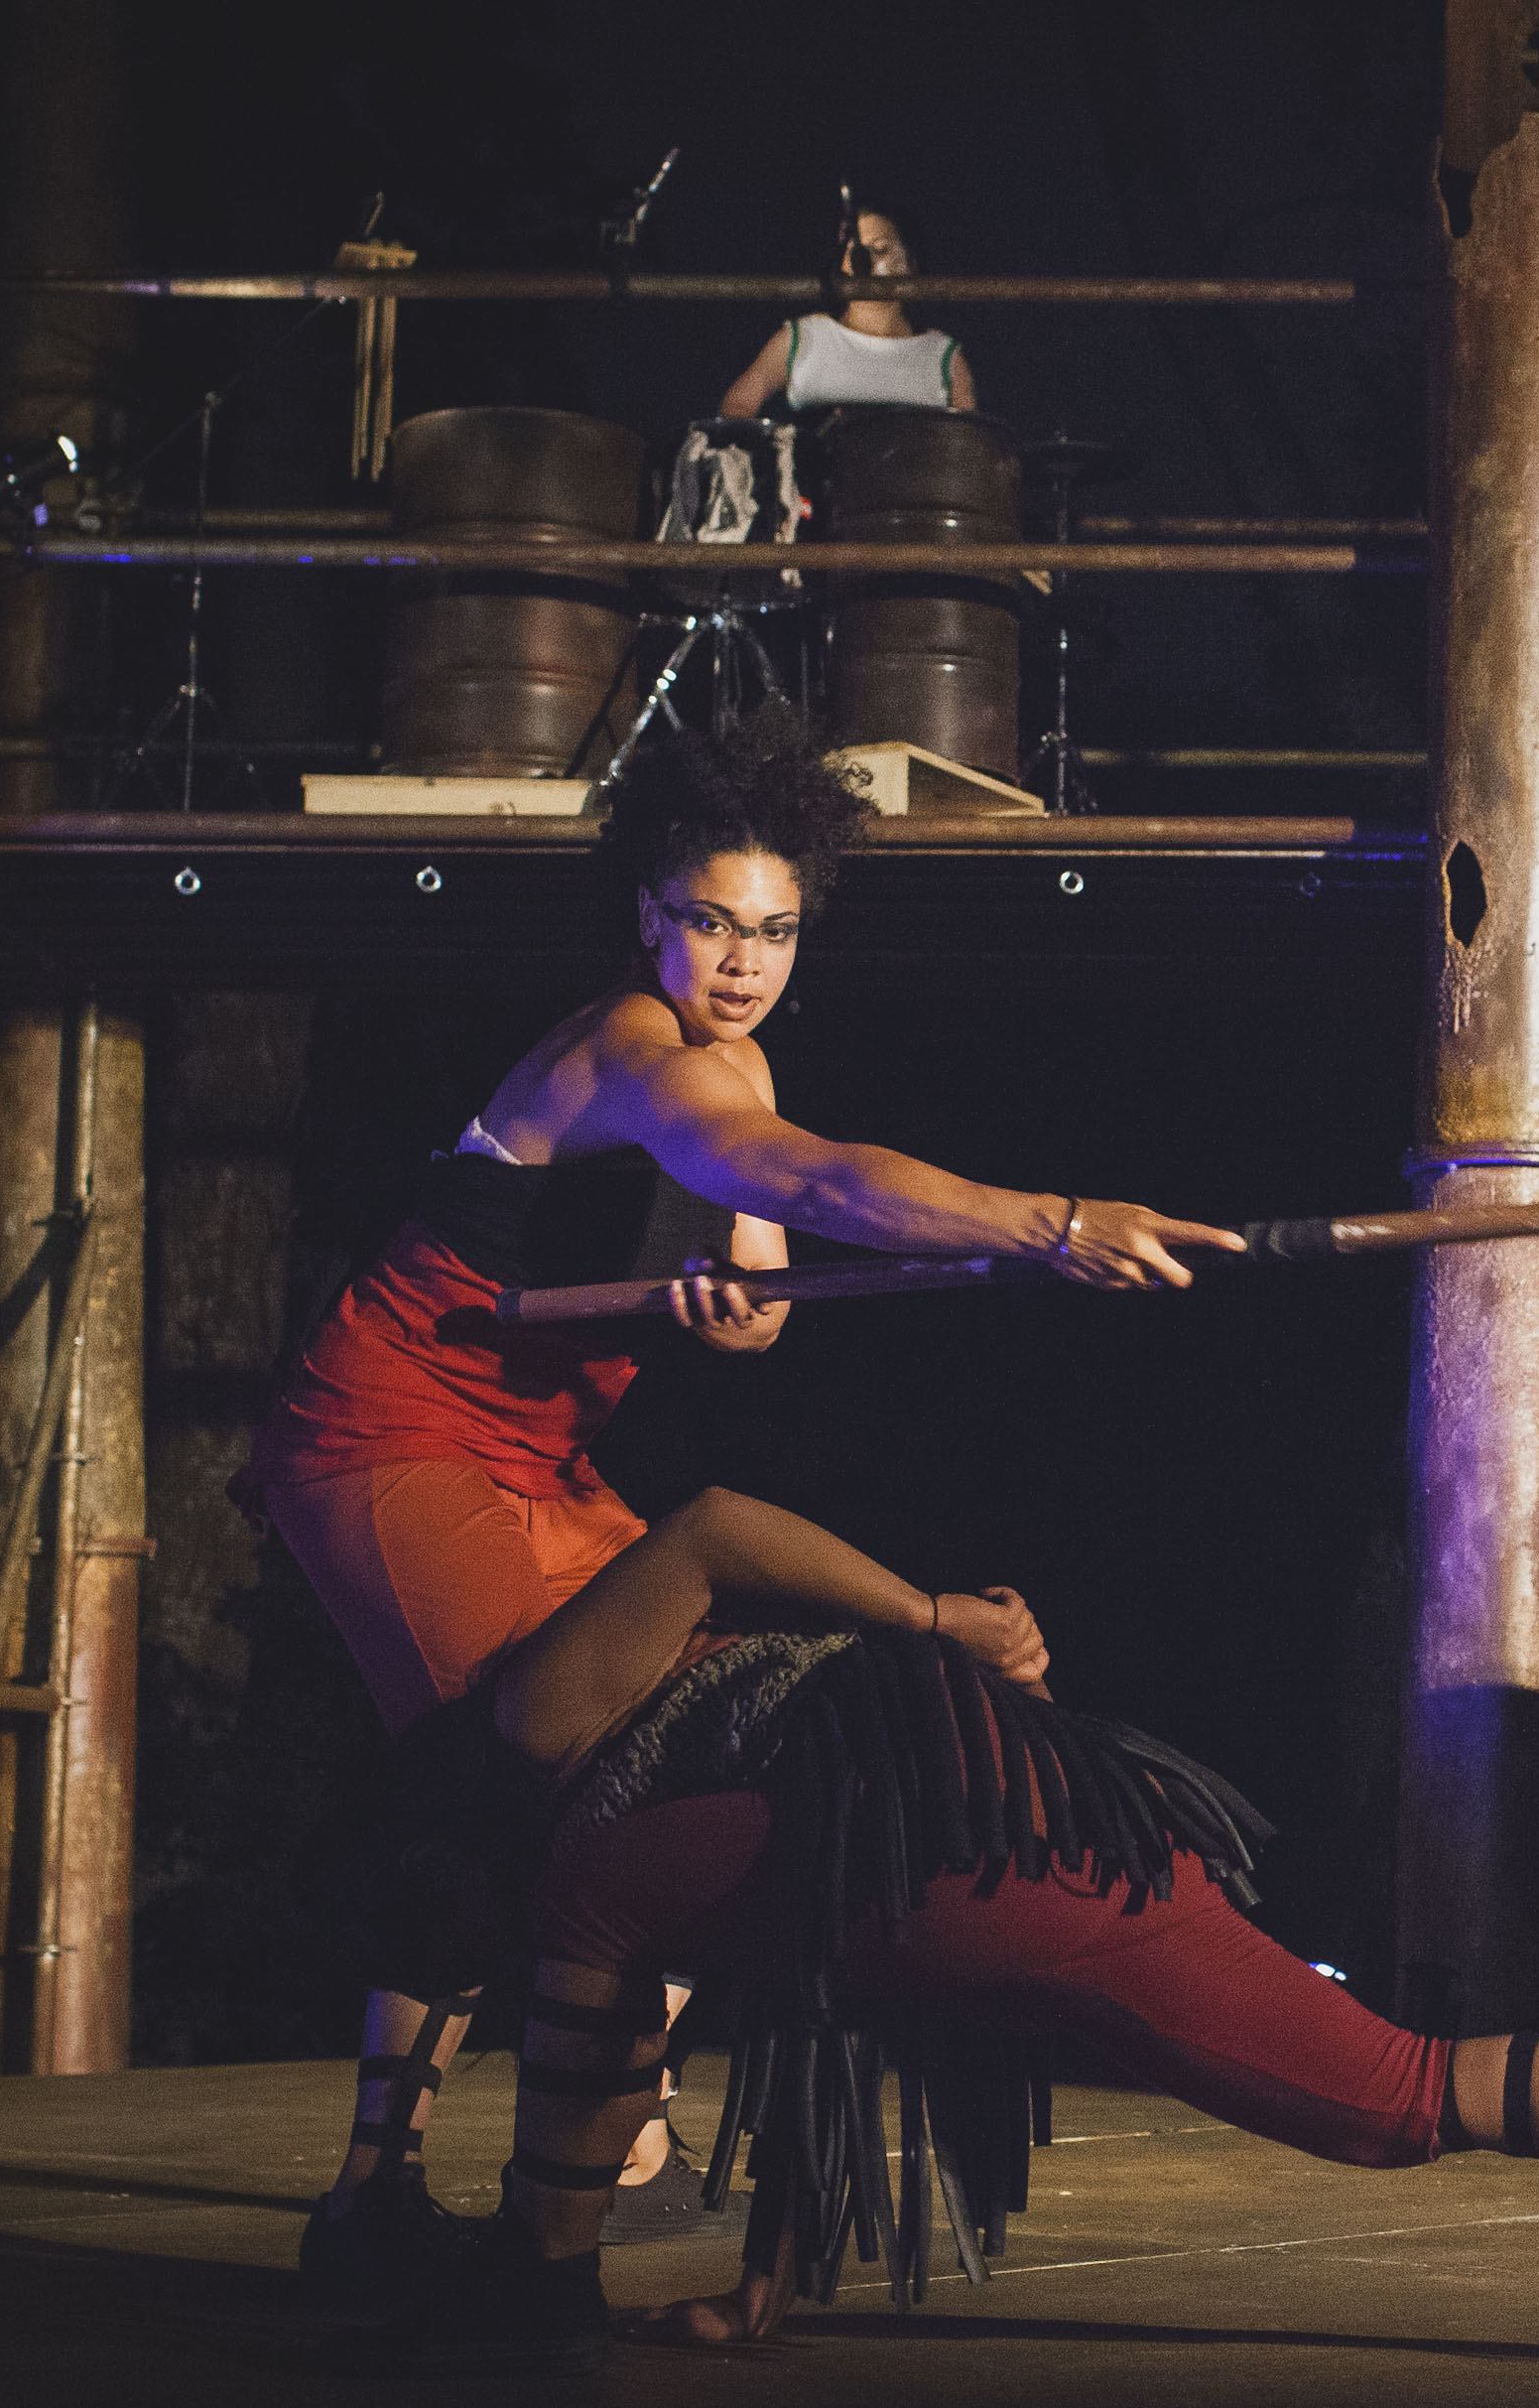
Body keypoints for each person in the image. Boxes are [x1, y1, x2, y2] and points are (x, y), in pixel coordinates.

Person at [232, 701, 1242, 2288]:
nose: (743, 961)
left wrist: (726, 1313)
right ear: (650, 913)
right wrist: (1048, 1221)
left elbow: (761, 1285)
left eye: (774, 930)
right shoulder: (625, 1048)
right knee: (503, 1771)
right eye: (711, 921)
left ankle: (609, 2139)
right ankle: (373, 2192)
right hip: (389, 1426)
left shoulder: (736, 1064)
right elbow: (814, 1182)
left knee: (680, 1741)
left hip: (542, 1452)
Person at [342, 1484, 1539, 2380]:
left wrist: (934, 1615)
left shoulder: (533, 1731)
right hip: (992, 1838)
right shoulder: (731, 1859)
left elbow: (707, 1525)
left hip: (998, 1839)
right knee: (1387, 2096)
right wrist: (769, 2283)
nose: (481, 1986)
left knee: (1391, 2097)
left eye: (453, 1959)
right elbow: (840, 2010)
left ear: (437, 1855)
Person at [719, 203, 977, 419]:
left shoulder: (941, 355)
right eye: (855, 252)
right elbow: (737, 407)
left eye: (880, 249)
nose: (864, 263)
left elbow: (968, 444)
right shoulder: (805, 337)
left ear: (911, 263)